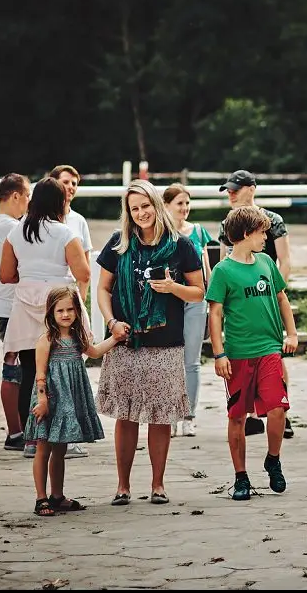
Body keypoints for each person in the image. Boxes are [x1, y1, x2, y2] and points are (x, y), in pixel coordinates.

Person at [95, 180, 204, 507]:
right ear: (128, 212)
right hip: (125, 340)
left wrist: (172, 288)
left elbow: (199, 291)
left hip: (166, 342)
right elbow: (103, 289)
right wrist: (111, 323)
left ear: (157, 205)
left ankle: (158, 485)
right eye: (134, 208)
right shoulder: (119, 243)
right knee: (125, 416)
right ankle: (123, 486)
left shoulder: (181, 245)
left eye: (146, 206)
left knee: (160, 416)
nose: (141, 213)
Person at [206, 206, 299, 501]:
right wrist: (219, 354)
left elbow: (282, 298)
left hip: (270, 349)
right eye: (262, 232)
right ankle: (241, 477)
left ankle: (273, 459)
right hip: (237, 355)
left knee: (278, 408)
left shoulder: (267, 262)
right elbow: (215, 313)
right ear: (246, 234)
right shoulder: (223, 271)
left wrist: (292, 333)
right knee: (238, 417)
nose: (266, 237)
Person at [0, 177, 92, 461]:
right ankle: (64, 436)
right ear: (60, 202)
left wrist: (28, 276)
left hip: (26, 302)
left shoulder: (16, 233)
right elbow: (84, 273)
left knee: (29, 369)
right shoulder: (64, 233)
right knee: (62, 367)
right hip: (58, 301)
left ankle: (31, 439)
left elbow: (6, 275)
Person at [26, 286, 124, 516]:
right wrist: (42, 400)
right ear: (51, 313)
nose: (66, 314)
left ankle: (57, 496)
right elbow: (40, 373)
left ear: (78, 311)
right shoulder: (47, 339)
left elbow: (96, 352)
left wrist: (116, 338)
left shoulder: (78, 337)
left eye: (70, 309)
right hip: (51, 398)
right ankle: (41, 498)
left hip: (70, 397)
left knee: (60, 449)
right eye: (60, 310)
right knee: (43, 448)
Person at [218, 169, 294, 439]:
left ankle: (280, 409)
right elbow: (224, 259)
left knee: (274, 355)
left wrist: (275, 292)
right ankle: (250, 415)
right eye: (228, 190)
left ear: (251, 188)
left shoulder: (273, 220)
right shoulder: (227, 223)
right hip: (243, 294)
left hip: (267, 288)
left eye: (235, 189)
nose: (231, 194)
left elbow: (283, 259)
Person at [163, 183, 214, 438]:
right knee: (171, 359)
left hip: (195, 300)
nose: (184, 208)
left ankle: (189, 415)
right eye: (179, 203)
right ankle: (170, 413)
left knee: (191, 361)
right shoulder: (162, 233)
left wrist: (212, 298)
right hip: (170, 299)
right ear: (167, 206)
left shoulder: (199, 232)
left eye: (187, 203)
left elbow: (206, 268)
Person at [0, 173, 30, 451]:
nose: (28, 202)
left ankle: (16, 431)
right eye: (27, 196)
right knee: (13, 369)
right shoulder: (8, 227)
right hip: (12, 305)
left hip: (8, 304)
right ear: (15, 196)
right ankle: (15, 431)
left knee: (15, 368)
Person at [48, 165, 93, 294]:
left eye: (74, 183)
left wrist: (82, 295)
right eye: (66, 182)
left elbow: (86, 260)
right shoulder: (40, 219)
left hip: (70, 292)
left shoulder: (79, 221)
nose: (71, 187)